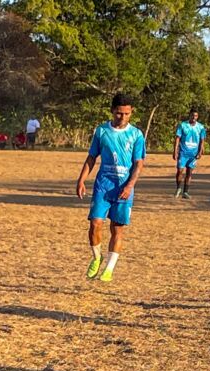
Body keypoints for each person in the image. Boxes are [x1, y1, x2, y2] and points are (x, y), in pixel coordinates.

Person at [75, 93, 146, 283]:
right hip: (103, 186)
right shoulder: (101, 131)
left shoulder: (136, 135)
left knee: (117, 229)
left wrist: (130, 186)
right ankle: (97, 258)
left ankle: (109, 268)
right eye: (119, 113)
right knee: (95, 224)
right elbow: (92, 157)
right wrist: (81, 180)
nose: (122, 117)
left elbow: (138, 164)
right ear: (112, 111)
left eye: (126, 114)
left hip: (123, 188)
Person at [173, 109, 206, 199]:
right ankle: (178, 188)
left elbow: (202, 140)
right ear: (189, 115)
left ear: (197, 117)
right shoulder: (183, 125)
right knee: (180, 171)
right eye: (192, 115)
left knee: (189, 173)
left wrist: (200, 151)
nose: (194, 117)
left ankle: (186, 192)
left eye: (195, 116)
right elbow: (177, 139)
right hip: (183, 153)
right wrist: (175, 151)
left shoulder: (201, 127)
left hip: (193, 154)